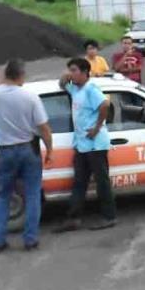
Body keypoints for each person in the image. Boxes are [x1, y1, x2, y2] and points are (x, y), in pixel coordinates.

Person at [0, 59, 54, 253]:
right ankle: (30, 239)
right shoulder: (30, 97)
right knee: (33, 194)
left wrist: (0, 79)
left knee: (3, 195)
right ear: (21, 75)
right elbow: (44, 127)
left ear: (5, 75)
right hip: (28, 149)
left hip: (5, 151)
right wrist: (50, 150)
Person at [56, 58, 115, 232]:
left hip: (95, 143)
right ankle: (74, 218)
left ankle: (109, 216)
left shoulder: (91, 89)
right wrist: (66, 74)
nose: (71, 74)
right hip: (82, 144)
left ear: (84, 72)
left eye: (74, 70)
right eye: (70, 70)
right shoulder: (75, 89)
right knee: (79, 182)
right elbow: (62, 83)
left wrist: (97, 128)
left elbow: (105, 104)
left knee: (101, 181)